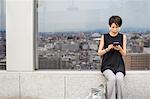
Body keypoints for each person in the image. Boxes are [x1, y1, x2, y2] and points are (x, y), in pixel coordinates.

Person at [98, 15, 126, 99]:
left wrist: (120, 49)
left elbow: (124, 53)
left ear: (119, 27)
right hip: (107, 65)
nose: (115, 29)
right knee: (112, 79)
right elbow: (99, 53)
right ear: (109, 26)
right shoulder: (104, 36)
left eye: (117, 27)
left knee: (119, 79)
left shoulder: (122, 36)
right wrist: (107, 49)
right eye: (113, 27)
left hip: (119, 65)